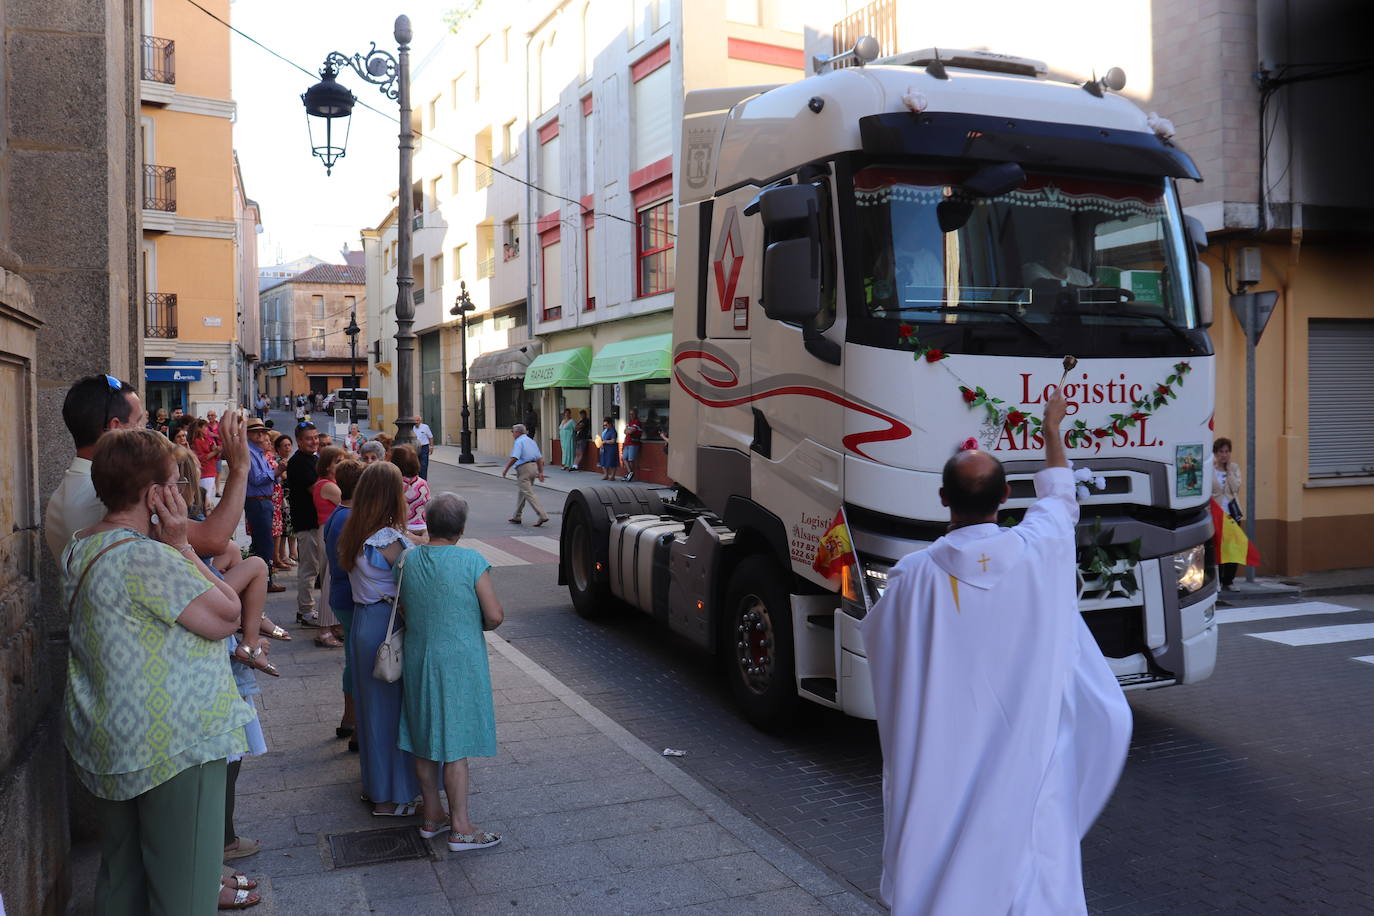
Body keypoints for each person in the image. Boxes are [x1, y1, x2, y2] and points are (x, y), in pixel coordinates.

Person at [861, 388, 1131, 915]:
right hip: (1026, 754)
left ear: (943, 500)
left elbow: (887, 655)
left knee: (936, 849)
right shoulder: (1039, 551)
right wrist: (1051, 429)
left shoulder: (913, 577)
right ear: (1007, 496)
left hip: (942, 754)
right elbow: (1058, 499)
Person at [63, 427, 253, 914]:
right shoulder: (145, 557)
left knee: (122, 881)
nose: (182, 493)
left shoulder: (81, 545)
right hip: (173, 745)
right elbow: (227, 614)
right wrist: (181, 546)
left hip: (112, 739)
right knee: (185, 893)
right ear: (155, 494)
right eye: (177, 484)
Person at [395, 493, 503, 852]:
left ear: (427, 522)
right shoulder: (472, 561)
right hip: (458, 659)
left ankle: (432, 816)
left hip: (418, 656)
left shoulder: (409, 559)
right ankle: (461, 828)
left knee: (424, 737)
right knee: (454, 742)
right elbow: (494, 615)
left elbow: (407, 608)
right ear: (461, 527)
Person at [338, 462, 422, 816]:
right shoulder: (388, 540)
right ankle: (392, 797)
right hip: (387, 626)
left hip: (362, 623)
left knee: (372, 714)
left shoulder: (354, 532)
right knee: (392, 714)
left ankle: (376, 789)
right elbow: (416, 576)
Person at [45, 374, 148, 561]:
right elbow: (210, 540)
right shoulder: (106, 494)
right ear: (116, 427)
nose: (143, 430)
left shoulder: (66, 490)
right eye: (138, 422)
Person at [322, 460, 365, 750]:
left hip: (339, 593)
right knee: (358, 662)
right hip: (352, 596)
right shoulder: (353, 519)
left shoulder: (337, 514)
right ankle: (357, 727)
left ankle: (350, 718)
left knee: (353, 657)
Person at [244, 418, 287, 598]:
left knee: (263, 542)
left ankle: (262, 579)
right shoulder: (250, 452)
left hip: (263, 499)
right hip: (258, 500)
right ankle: (264, 581)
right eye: (256, 432)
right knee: (264, 544)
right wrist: (276, 472)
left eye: (263, 431)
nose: (261, 435)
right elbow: (256, 478)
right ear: (248, 434)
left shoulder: (258, 452)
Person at [287, 422, 325, 627]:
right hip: (307, 522)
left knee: (314, 567)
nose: (314, 441)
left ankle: (307, 609)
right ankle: (306, 611)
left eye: (316, 437)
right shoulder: (299, 462)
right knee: (309, 569)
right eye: (309, 438)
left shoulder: (312, 459)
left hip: (314, 522)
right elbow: (316, 490)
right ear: (299, 441)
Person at [310, 446, 348, 648]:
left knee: (329, 578)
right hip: (329, 531)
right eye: (337, 461)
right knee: (329, 581)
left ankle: (332, 625)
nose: (340, 464)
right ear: (326, 466)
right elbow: (349, 501)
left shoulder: (326, 483)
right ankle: (323, 630)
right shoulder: (328, 486)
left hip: (327, 530)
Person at [1210, 437, 1259, 589]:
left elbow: (1236, 488)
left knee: (1232, 548)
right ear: (1215, 453)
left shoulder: (1234, 468)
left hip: (1231, 515)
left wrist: (1228, 470)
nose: (1224, 455)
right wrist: (1218, 466)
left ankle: (1228, 581)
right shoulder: (1210, 469)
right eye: (1220, 452)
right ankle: (1215, 580)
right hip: (1215, 515)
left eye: (1227, 451)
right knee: (1216, 548)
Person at [501, 423, 548, 527]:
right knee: (523, 493)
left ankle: (542, 515)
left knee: (528, 493)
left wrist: (506, 469)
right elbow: (539, 458)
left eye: (513, 432)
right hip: (533, 467)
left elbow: (515, 457)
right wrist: (540, 472)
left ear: (518, 432)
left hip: (524, 469)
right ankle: (517, 516)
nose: (512, 434)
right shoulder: (531, 441)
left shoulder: (519, 442)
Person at [1023, 232, 1094, 288]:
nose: (1062, 254)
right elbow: (1044, 286)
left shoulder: (1082, 277)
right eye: (1056, 248)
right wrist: (1087, 289)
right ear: (1047, 249)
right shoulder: (1030, 269)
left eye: (1067, 250)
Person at [391, 444, 430, 538]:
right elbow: (428, 506)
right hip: (421, 527)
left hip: (401, 529)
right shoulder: (422, 483)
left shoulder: (393, 483)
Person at [271, 433, 296, 569]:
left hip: (288, 498)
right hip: (282, 499)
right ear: (278, 448)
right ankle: (283, 555)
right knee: (284, 529)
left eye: (289, 445)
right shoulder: (279, 462)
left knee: (289, 528)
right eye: (284, 446)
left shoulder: (288, 461)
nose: (287, 448)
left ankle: (291, 554)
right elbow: (286, 478)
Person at [191, 418, 221, 508]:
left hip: (211, 470)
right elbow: (202, 458)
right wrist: (216, 451)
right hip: (204, 472)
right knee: (205, 496)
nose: (207, 430)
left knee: (207, 496)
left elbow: (217, 457)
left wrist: (216, 450)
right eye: (205, 428)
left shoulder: (207, 440)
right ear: (199, 429)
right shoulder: (196, 441)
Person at [621, 410, 644, 481]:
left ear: (636, 414)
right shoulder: (630, 422)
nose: (631, 415)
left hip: (633, 443)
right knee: (624, 458)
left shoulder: (637, 422)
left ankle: (630, 474)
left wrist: (628, 430)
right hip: (627, 443)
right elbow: (624, 431)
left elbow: (630, 431)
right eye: (630, 414)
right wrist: (628, 430)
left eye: (632, 414)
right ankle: (630, 473)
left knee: (631, 460)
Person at [597, 416, 619, 482]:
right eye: (604, 425)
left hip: (611, 448)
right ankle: (606, 475)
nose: (605, 426)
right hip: (604, 448)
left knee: (611, 462)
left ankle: (612, 476)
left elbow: (613, 440)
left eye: (606, 425)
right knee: (603, 462)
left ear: (610, 424)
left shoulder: (613, 431)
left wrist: (605, 441)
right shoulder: (605, 431)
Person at [413, 414, 434, 480]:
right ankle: (416, 480)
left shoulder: (425, 427)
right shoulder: (412, 427)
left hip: (424, 447)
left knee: (423, 464)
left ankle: (423, 480)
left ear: (420, 421)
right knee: (415, 464)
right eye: (415, 421)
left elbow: (430, 437)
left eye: (418, 420)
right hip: (415, 448)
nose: (416, 422)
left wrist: (431, 447)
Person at [557, 408, 576, 472]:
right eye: (565, 413)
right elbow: (560, 428)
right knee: (564, 451)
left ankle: (569, 465)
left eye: (568, 413)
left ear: (570, 414)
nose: (567, 414)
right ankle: (565, 464)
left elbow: (575, 428)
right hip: (563, 439)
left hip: (569, 438)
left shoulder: (572, 421)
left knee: (569, 451)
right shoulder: (563, 421)